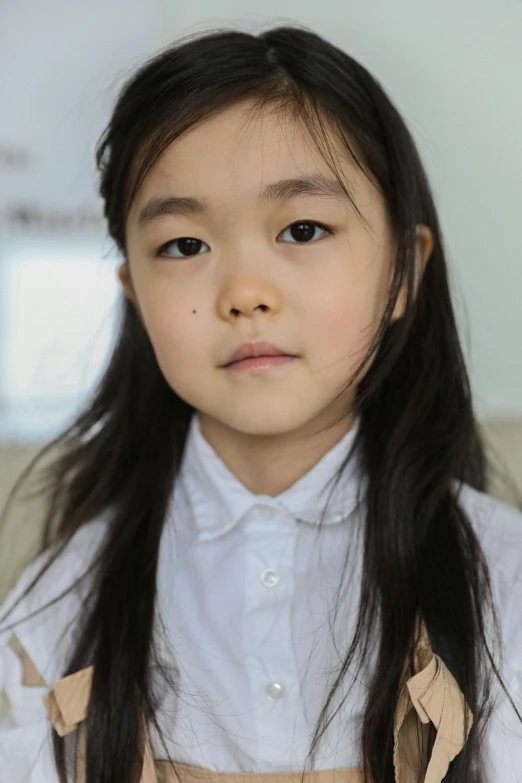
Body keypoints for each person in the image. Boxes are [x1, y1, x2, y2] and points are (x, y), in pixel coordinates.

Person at [0, 22, 521, 783]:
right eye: (184, 245)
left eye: (302, 229)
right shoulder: (58, 602)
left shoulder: (505, 579)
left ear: (405, 270)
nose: (245, 292)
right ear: (134, 298)